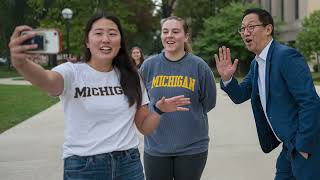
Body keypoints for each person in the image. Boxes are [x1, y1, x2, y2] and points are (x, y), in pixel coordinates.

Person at [9, 11, 191, 180]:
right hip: (83, 166)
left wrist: (158, 110)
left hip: (128, 165)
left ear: (120, 42)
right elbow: (47, 80)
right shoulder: (72, 72)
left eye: (112, 34)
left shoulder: (132, 76)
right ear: (87, 41)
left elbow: (144, 127)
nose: (106, 39)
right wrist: (21, 64)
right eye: (98, 34)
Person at [215, 8, 320, 180]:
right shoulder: (257, 64)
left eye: (251, 27)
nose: (245, 32)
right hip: (289, 147)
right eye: (242, 29)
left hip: (308, 147)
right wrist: (227, 79)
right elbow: (240, 95)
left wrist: (303, 147)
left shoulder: (286, 56)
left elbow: (310, 102)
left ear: (268, 29)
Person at [140, 16, 217, 180]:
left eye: (175, 31)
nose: (169, 36)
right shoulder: (149, 66)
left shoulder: (199, 66)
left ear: (186, 36)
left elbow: (209, 102)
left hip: (192, 148)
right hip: (156, 147)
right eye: (165, 31)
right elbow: (142, 105)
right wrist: (158, 109)